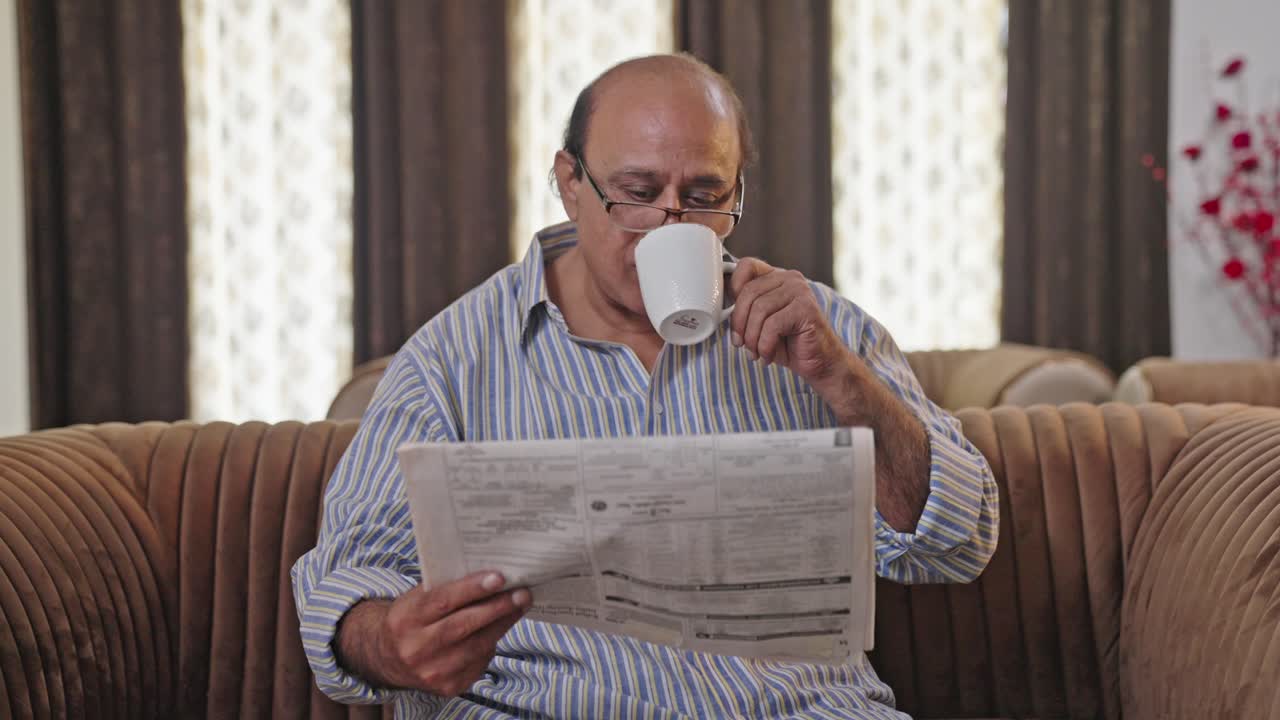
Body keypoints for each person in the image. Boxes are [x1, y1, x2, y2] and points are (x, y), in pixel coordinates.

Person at [293, 53, 998, 719]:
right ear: (571, 184)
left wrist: (843, 381)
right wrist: (394, 641)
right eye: (637, 193)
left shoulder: (816, 327)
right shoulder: (453, 357)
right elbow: (343, 584)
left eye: (704, 196)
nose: (670, 224)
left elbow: (960, 540)